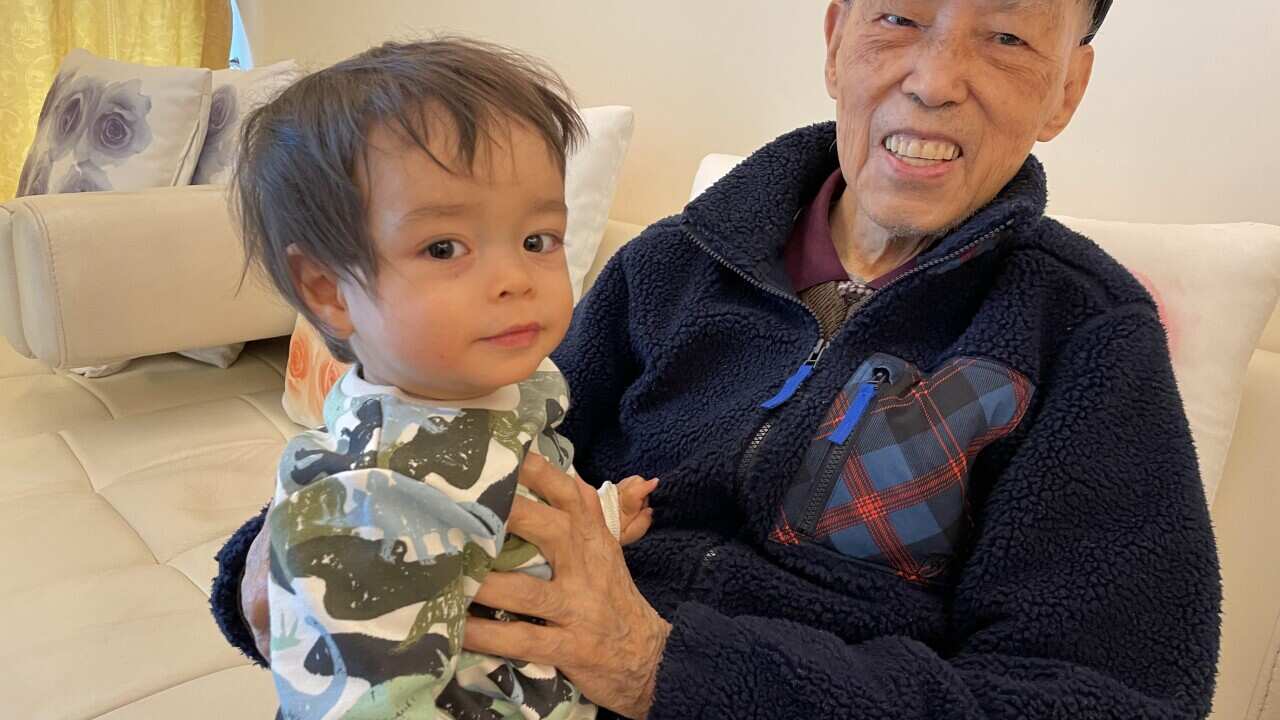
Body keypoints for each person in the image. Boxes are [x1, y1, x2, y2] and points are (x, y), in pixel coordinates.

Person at [214, 1, 1223, 718]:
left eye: (1004, 36)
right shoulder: (671, 263)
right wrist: (274, 556)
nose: (933, 78)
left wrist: (668, 667)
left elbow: (1106, 697)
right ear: (834, 39)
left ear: (1065, 86)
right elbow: (454, 416)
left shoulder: (1085, 336)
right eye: (896, 20)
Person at [224, 38, 657, 719]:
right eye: (444, 247)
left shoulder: (500, 384)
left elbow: (509, 508)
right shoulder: (377, 496)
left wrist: (599, 519)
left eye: (537, 240)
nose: (516, 278)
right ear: (329, 291)